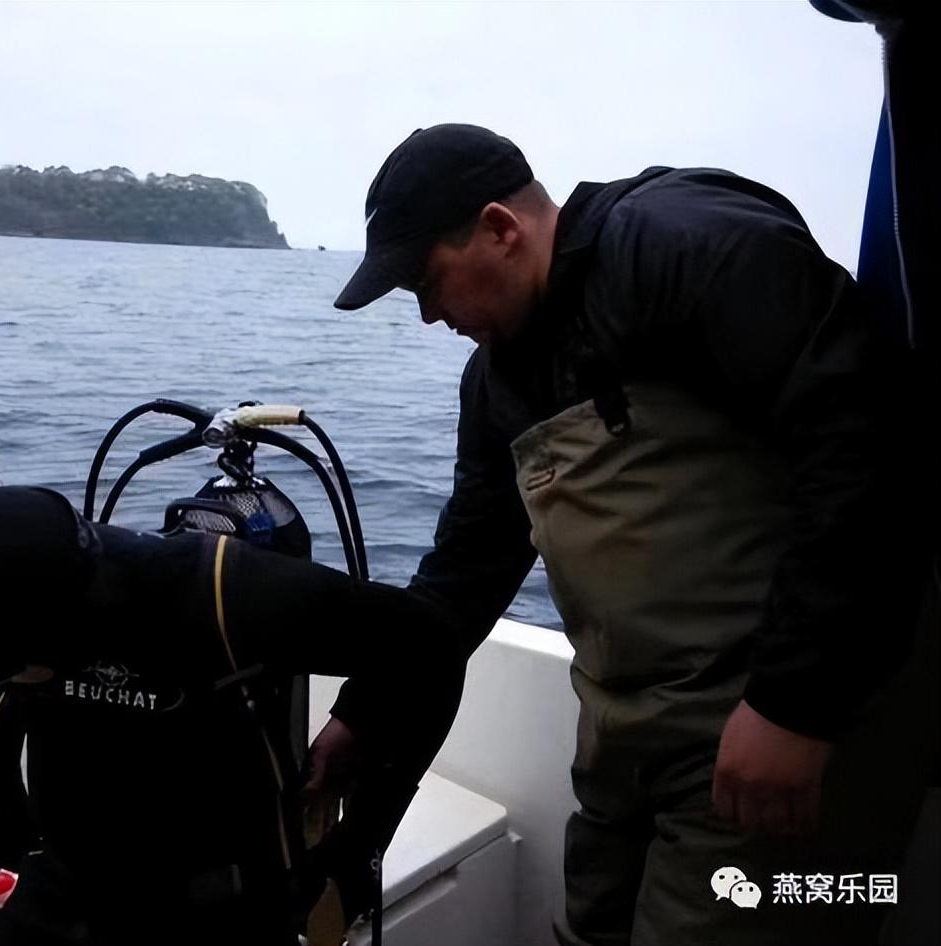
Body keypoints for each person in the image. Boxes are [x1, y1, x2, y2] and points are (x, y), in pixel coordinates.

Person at [321, 123, 934, 946]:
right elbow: (464, 573)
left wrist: (795, 705)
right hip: (630, 740)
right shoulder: (497, 380)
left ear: (502, 228)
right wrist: (365, 712)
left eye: (429, 283)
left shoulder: (684, 245)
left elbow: (869, 447)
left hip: (784, 713)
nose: (432, 317)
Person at [0, 484, 464, 946]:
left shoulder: (223, 595)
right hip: (66, 891)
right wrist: (2, 825)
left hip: (222, 912)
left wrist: (356, 846)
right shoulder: (18, 616)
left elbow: (432, 649)